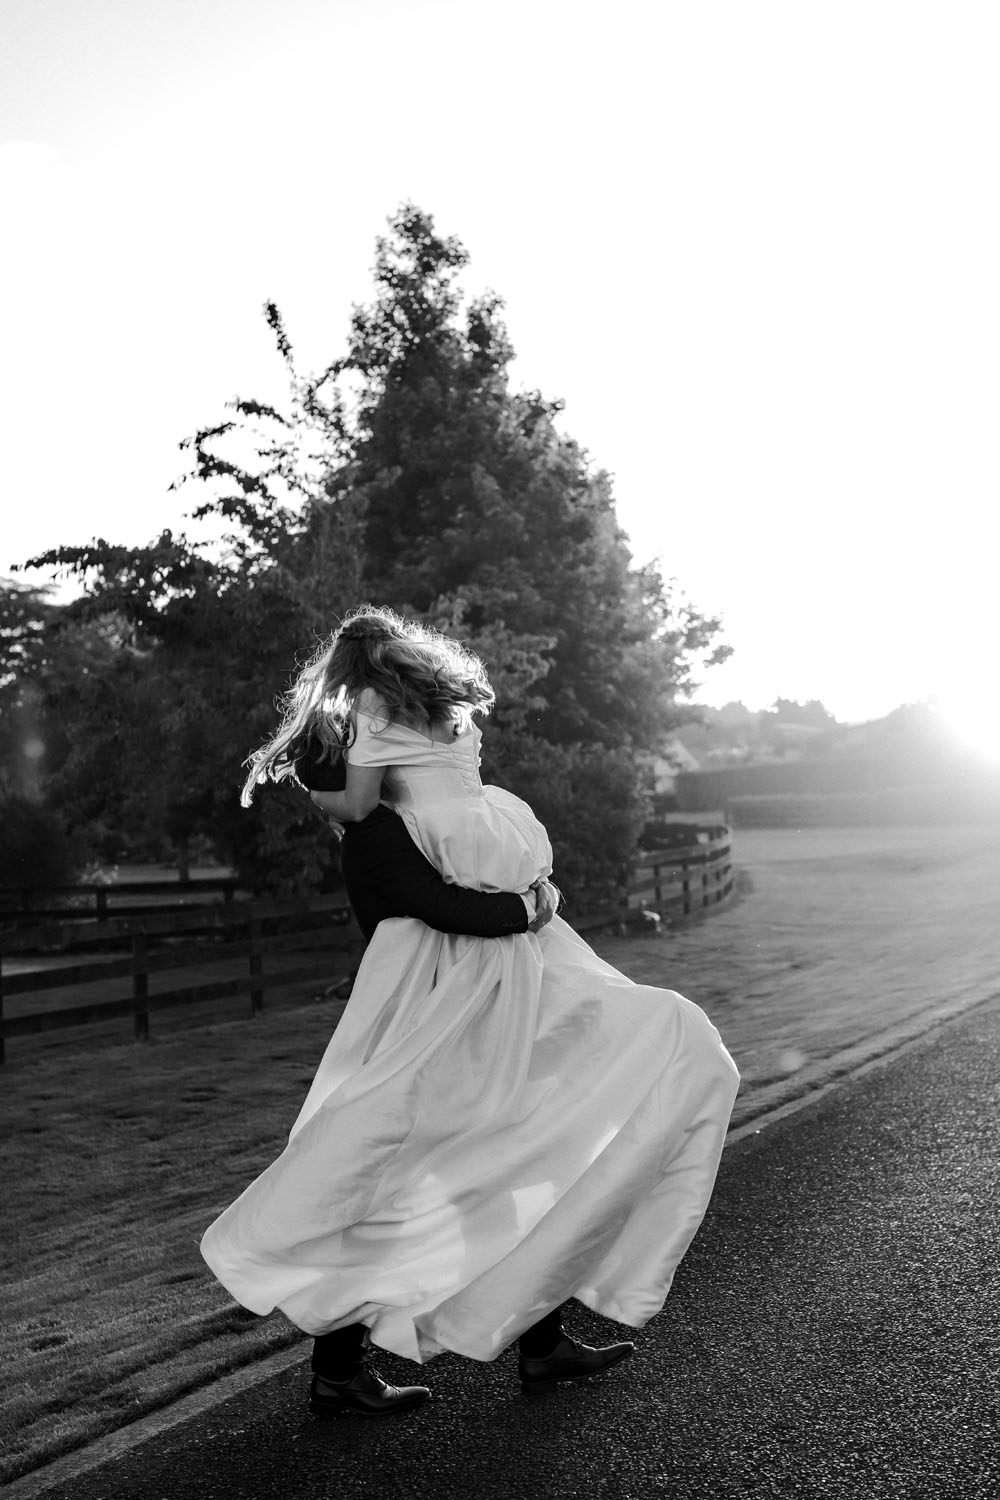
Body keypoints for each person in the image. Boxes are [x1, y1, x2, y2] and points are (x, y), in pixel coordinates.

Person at [201, 606, 739, 1417]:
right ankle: (344, 1365)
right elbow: (422, 888)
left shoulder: (380, 745)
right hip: (452, 972)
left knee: (541, 1126)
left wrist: (315, 782)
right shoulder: (441, 728)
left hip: (519, 961)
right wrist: (523, 909)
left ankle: (538, 1339)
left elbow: (351, 808)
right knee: (420, 1152)